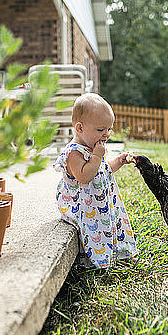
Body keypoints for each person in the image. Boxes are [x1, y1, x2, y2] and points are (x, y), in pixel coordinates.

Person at [54, 93, 138, 268]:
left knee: (112, 224)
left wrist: (118, 161)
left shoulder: (93, 148)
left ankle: (118, 253)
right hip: (82, 208)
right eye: (100, 129)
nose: (106, 134)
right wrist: (97, 156)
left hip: (98, 203)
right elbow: (85, 176)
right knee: (94, 231)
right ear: (80, 128)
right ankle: (95, 260)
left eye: (109, 129)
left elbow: (102, 170)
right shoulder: (74, 153)